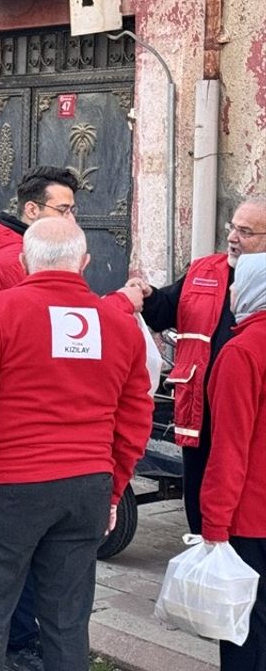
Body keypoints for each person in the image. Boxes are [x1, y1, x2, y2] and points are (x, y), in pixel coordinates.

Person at [0, 218, 152, 671]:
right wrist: (114, 488)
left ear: (22, 262)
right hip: (86, 487)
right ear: (85, 262)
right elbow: (135, 415)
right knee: (67, 620)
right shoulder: (117, 323)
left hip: (9, 487)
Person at [128, 198, 266, 534]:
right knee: (200, 493)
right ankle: (207, 550)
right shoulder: (204, 270)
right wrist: (148, 297)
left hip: (251, 413)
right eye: (232, 227)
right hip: (200, 412)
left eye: (245, 232)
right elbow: (166, 312)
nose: (233, 237)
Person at [200, 251, 266, 670]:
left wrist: (214, 525)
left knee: (246, 632)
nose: (229, 290)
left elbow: (229, 447)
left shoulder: (242, 352)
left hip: (251, 518)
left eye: (237, 282)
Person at [0, 166, 84, 325]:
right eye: (62, 210)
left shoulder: (19, 249)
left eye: (72, 210)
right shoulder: (15, 259)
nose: (71, 220)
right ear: (32, 210)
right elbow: (56, 317)